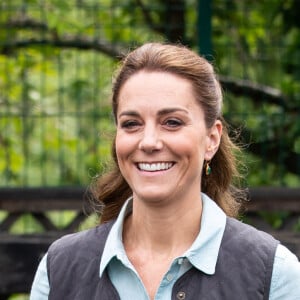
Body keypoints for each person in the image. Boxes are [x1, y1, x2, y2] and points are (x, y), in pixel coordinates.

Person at [30, 42, 300, 300]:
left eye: (171, 122)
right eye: (131, 123)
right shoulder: (59, 270)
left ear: (211, 140)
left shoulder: (273, 274)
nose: (148, 142)